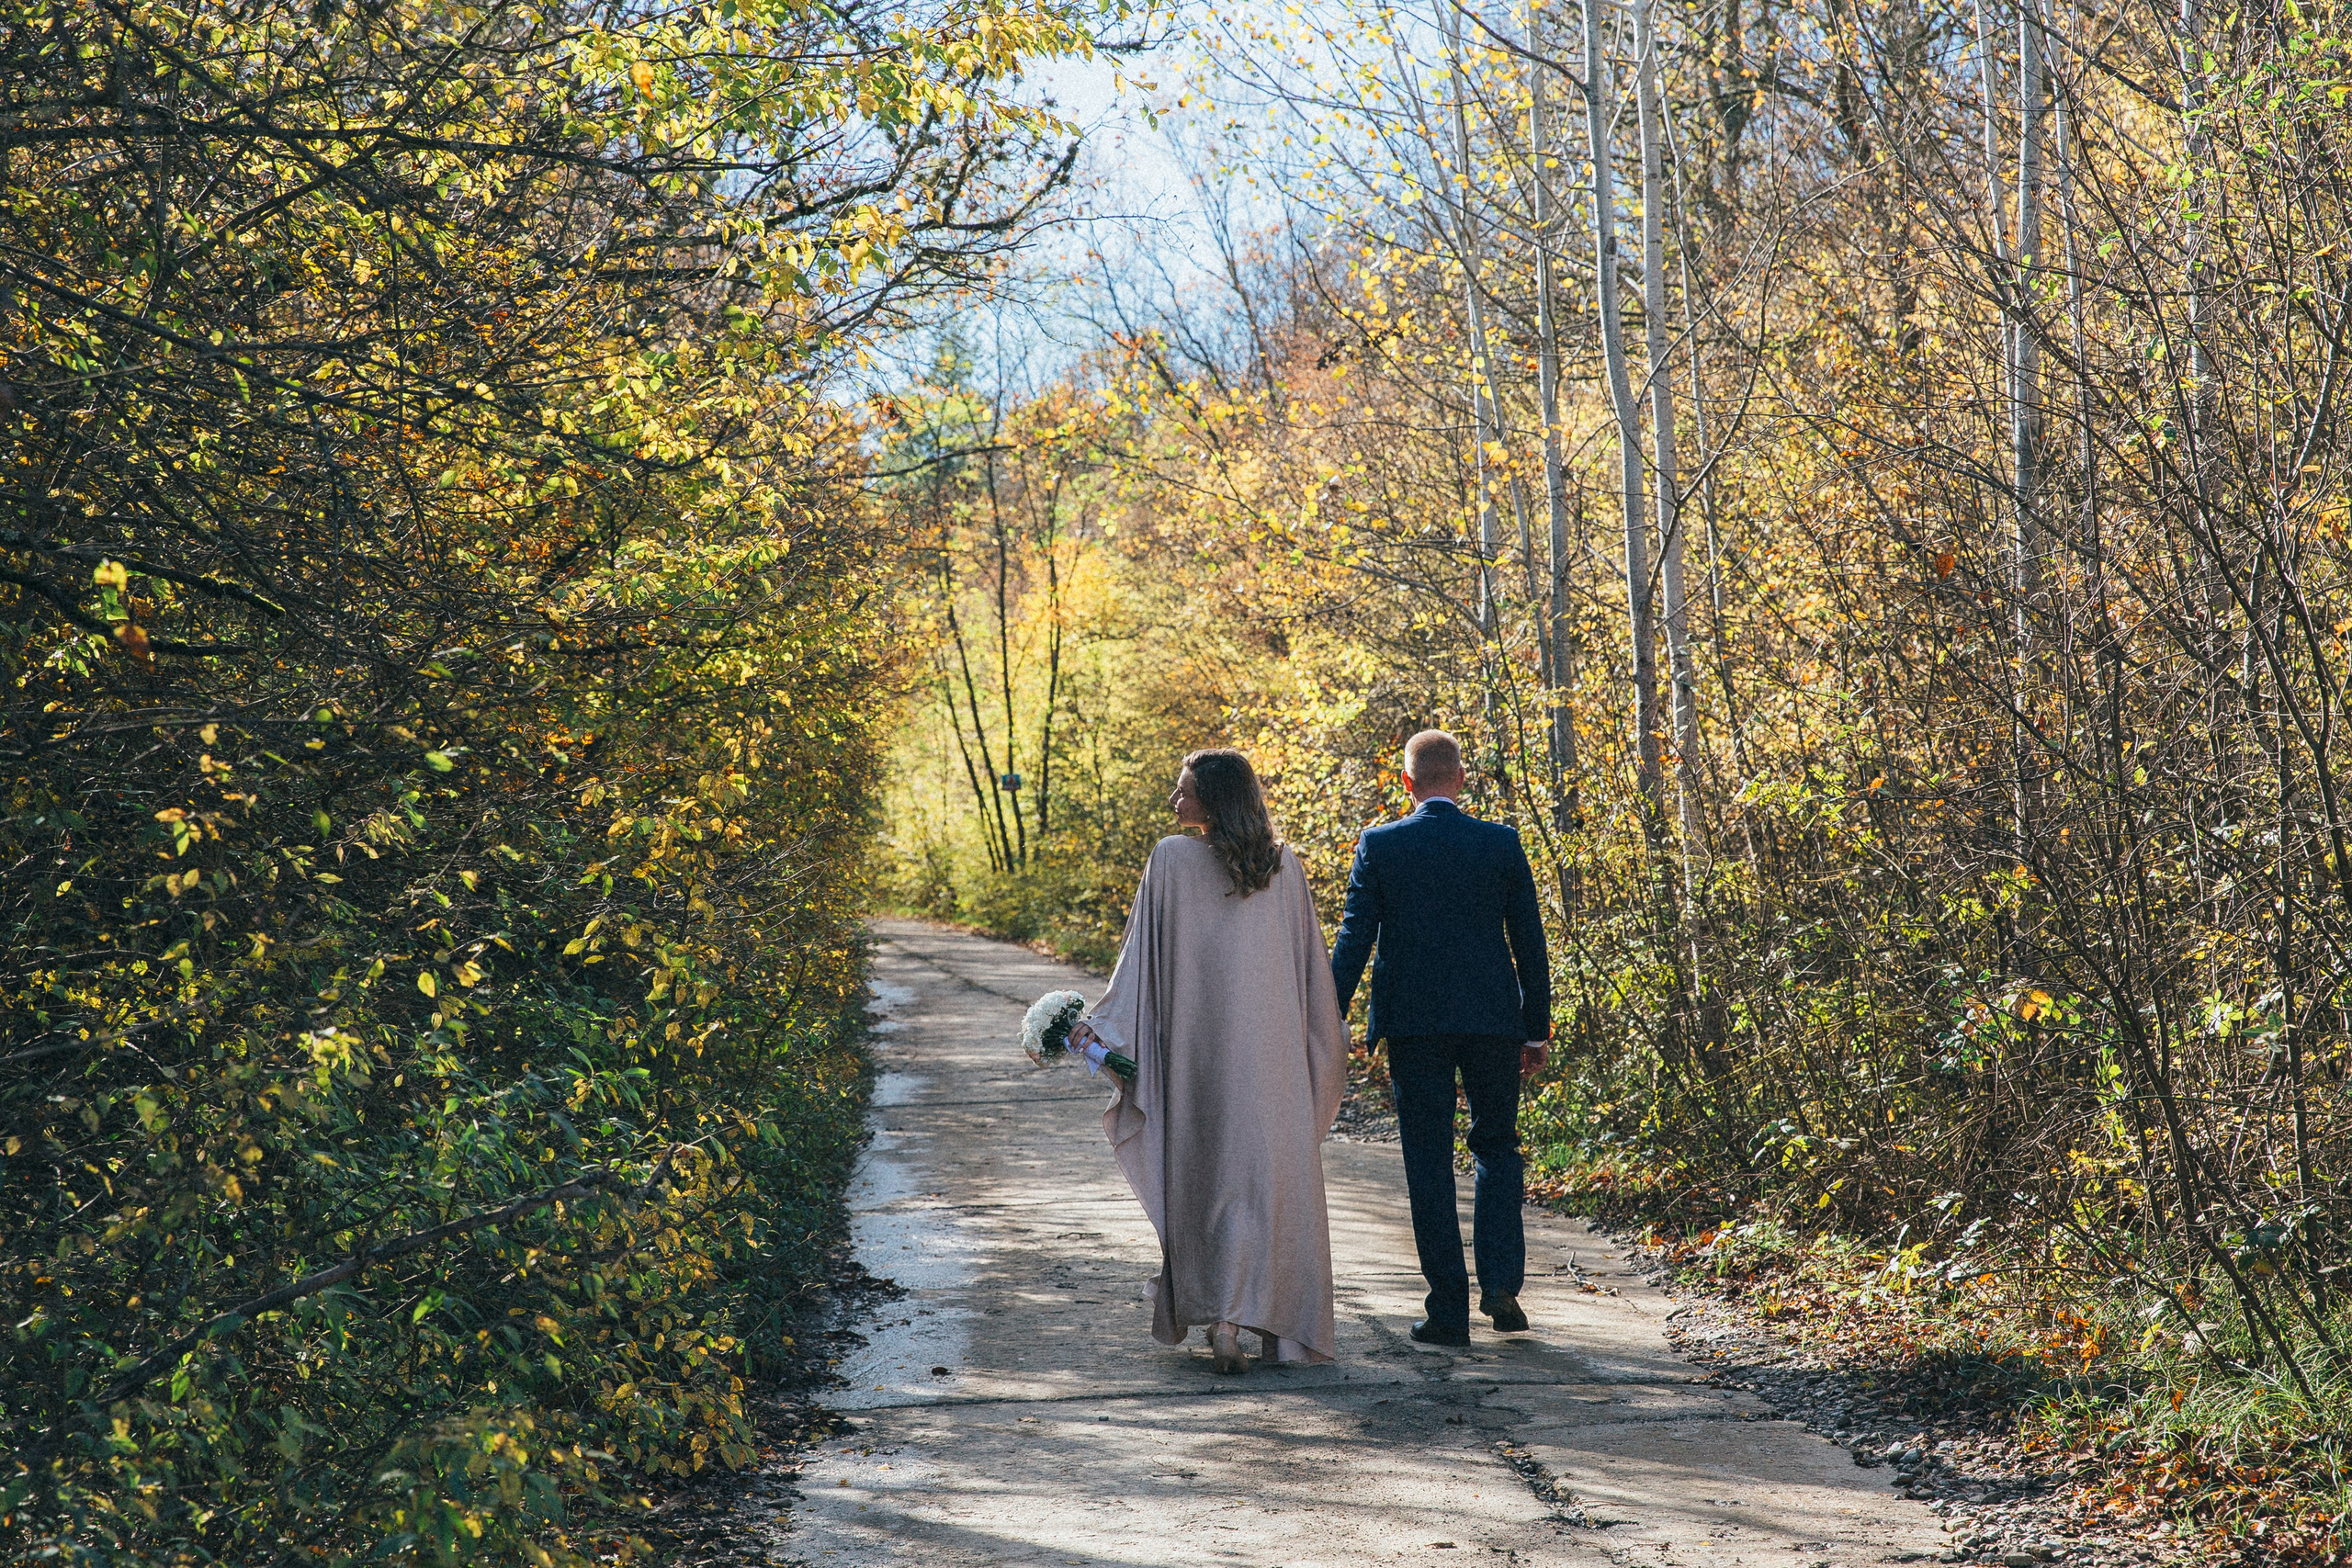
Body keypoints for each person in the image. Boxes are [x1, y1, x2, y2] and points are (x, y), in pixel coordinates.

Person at [1072, 750, 1348, 1373]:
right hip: (1273, 1061)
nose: (1175, 802)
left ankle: (1224, 1321)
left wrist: (1104, 1026)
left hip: (1198, 1056)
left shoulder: (1171, 860)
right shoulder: (1284, 866)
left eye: (1184, 790)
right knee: (1258, 1184)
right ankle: (1242, 1321)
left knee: (1210, 1180)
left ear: (1215, 799)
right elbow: (1311, 974)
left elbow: (1138, 962)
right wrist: (1321, 1048)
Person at [1329, 729, 1551, 1348]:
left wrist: (1326, 1017)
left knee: (1427, 1161)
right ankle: (1500, 1282)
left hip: (1415, 1025)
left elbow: (1354, 939)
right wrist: (1535, 1029)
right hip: (1492, 1022)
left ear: (1407, 782)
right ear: (1461, 778)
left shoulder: (1381, 845)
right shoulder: (1500, 843)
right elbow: (1529, 943)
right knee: (1496, 1146)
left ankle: (1448, 1312)